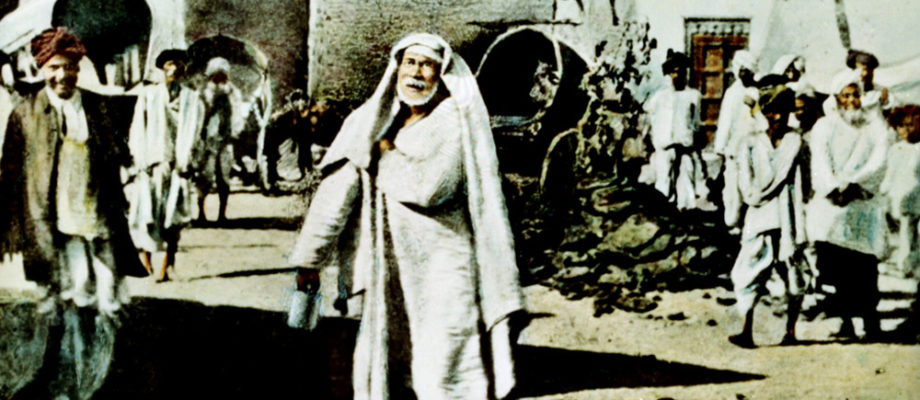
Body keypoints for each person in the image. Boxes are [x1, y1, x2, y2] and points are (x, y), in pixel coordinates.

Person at [286, 33, 524, 399]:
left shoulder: (453, 122)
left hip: (445, 263)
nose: (416, 73)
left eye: (427, 65)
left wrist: (385, 153)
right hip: (389, 267)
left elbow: (432, 187)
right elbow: (335, 195)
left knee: (446, 365)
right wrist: (310, 260)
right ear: (396, 68)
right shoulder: (370, 120)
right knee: (391, 365)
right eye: (410, 63)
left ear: (441, 74)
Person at [0, 27, 146, 399]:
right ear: (41, 69)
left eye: (69, 67)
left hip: (97, 221)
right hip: (50, 226)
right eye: (54, 67)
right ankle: (67, 382)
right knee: (65, 304)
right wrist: (10, 230)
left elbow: (118, 158)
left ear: (79, 68)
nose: (62, 75)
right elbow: (10, 176)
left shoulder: (98, 108)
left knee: (107, 303)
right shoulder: (24, 114)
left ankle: (99, 379)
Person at [806, 69, 891, 341]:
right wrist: (834, 188)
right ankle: (845, 323)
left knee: (865, 268)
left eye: (856, 95)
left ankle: (871, 323)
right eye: (846, 96)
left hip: (862, 205)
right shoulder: (824, 127)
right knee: (838, 269)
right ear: (837, 99)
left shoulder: (874, 126)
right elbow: (820, 162)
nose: (852, 101)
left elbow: (879, 160)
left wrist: (855, 184)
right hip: (835, 206)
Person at [728, 85, 807, 348]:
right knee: (749, 271)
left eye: (783, 111)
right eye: (772, 111)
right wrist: (757, 197)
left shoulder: (795, 142)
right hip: (760, 216)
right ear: (764, 113)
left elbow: (805, 180)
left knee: (793, 272)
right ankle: (746, 330)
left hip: (788, 215)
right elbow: (746, 184)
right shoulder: (750, 143)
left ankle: (791, 331)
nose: (778, 117)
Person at [125, 49, 205, 281]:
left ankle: (168, 265)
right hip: (153, 162)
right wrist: (141, 158)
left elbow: (196, 131)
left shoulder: (192, 98)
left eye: (179, 64)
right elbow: (138, 127)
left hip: (178, 165)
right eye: (170, 64)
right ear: (162, 68)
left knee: (174, 217)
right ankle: (146, 262)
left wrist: (189, 160)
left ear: (184, 69)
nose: (174, 69)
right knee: (147, 213)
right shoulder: (149, 95)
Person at [642, 50, 706, 210]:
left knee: (686, 183)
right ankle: (663, 213)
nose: (677, 76)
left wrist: (695, 144)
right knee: (664, 183)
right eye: (674, 72)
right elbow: (650, 119)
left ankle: (685, 214)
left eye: (681, 72)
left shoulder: (693, 96)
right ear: (669, 74)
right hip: (665, 146)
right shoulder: (660, 97)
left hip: (685, 146)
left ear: (686, 73)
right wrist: (652, 140)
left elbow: (696, 122)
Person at [714, 50, 759, 229]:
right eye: (741, 70)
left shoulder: (756, 92)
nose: (744, 74)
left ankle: (747, 224)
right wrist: (721, 146)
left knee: (749, 185)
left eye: (747, 70)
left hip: (753, 146)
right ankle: (732, 222)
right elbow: (725, 121)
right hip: (734, 147)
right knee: (732, 188)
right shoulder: (732, 93)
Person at [194, 57, 243, 222]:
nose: (220, 78)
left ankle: (222, 214)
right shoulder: (202, 94)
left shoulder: (233, 93)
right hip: (206, 141)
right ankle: (201, 214)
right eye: (216, 75)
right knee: (204, 177)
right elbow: (197, 116)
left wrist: (234, 132)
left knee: (224, 177)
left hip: (225, 140)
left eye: (223, 75)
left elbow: (238, 114)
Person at [880, 105, 920, 276]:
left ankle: (913, 263)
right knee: (906, 232)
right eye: (901, 126)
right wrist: (885, 188)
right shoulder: (896, 149)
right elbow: (890, 172)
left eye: (910, 125)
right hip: (904, 196)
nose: (906, 130)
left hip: (917, 192)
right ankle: (906, 265)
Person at [847, 49, 898, 114]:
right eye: (863, 70)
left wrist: (885, 103)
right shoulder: (847, 94)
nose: (866, 73)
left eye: (870, 70)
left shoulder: (881, 92)